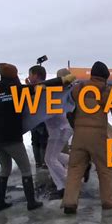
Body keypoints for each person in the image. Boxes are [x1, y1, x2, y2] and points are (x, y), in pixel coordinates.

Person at [0, 63, 75, 212]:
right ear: (13, 76)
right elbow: (42, 86)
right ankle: (32, 202)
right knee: (27, 169)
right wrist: (61, 80)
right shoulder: (17, 90)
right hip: (12, 136)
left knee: (5, 169)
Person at [63, 61, 112, 215]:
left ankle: (69, 202)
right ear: (105, 77)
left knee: (74, 169)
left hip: (79, 136)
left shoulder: (78, 89)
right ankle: (108, 203)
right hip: (98, 136)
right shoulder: (108, 92)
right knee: (105, 169)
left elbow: (68, 107)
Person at [40, 68, 74, 199]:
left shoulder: (59, 91)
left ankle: (66, 184)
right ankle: (63, 184)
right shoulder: (66, 90)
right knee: (52, 157)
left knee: (50, 159)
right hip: (60, 128)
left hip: (60, 129)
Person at [27, 65, 49, 169]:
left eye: (30, 75)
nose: (29, 77)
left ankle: (41, 163)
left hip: (39, 120)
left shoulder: (39, 88)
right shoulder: (48, 87)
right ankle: (42, 163)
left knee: (39, 141)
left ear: (35, 76)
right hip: (39, 120)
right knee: (39, 141)